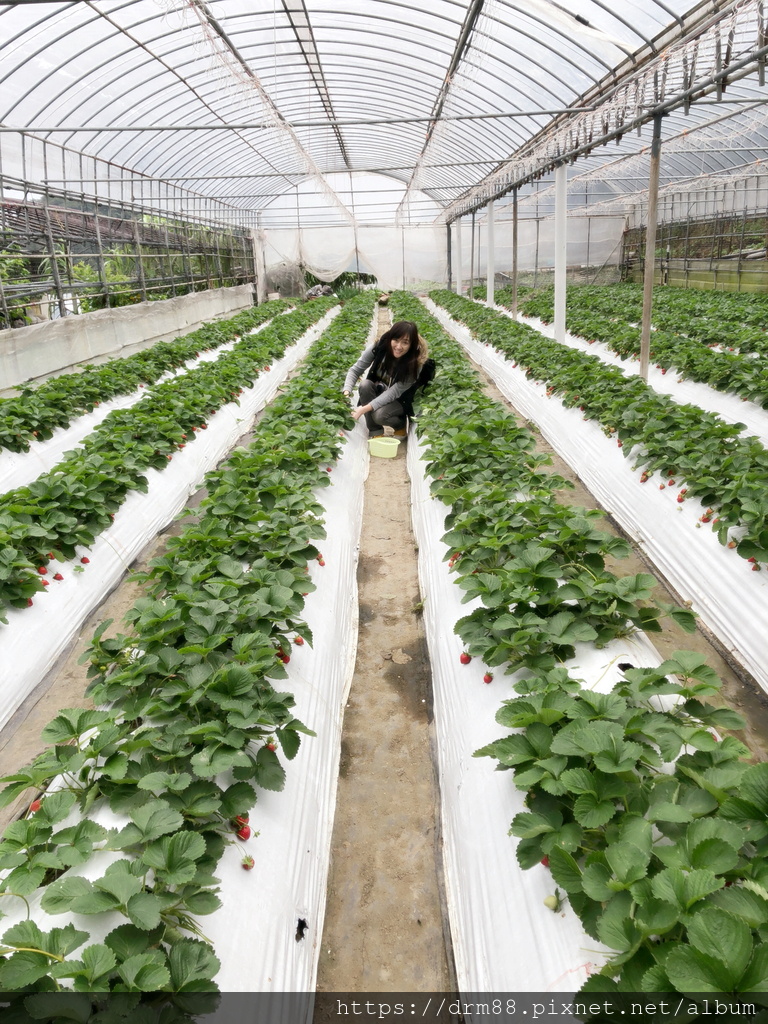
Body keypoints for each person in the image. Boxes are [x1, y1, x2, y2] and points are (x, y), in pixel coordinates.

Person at [343, 320, 429, 437]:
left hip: (401, 399)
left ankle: (400, 424)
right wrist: (346, 393)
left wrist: (362, 409)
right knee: (365, 385)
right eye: (396, 340)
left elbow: (393, 393)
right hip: (381, 389)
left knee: (379, 415)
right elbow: (355, 370)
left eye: (405, 343)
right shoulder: (379, 347)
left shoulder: (415, 364)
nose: (399, 347)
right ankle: (375, 431)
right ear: (390, 338)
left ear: (412, 345)